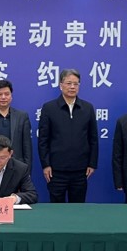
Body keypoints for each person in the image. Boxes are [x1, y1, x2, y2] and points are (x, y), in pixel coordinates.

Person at [37, 69, 98, 203]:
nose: (72, 87)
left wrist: (92, 163)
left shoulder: (87, 108)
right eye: (69, 83)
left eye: (76, 84)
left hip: (81, 170)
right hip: (56, 170)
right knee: (56, 208)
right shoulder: (49, 108)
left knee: (77, 208)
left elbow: (93, 138)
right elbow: (43, 140)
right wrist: (46, 165)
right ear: (61, 85)